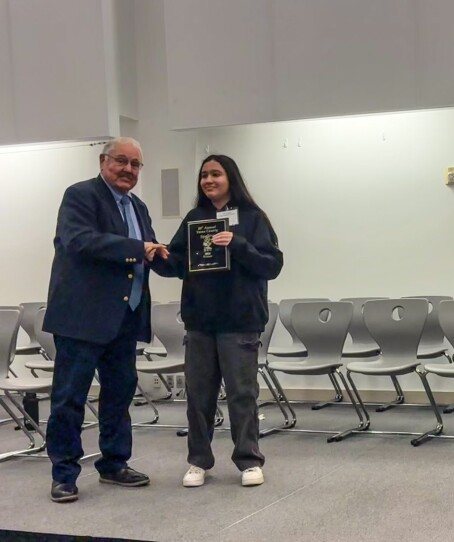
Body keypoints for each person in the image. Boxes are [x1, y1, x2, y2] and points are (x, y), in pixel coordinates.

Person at [43, 137, 168, 503]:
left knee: (119, 395)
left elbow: (149, 251)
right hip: (82, 319)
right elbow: (79, 241)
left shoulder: (138, 207)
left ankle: (114, 464)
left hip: (124, 319)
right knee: (69, 399)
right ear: (103, 161)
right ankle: (64, 473)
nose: (128, 170)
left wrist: (183, 258)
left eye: (135, 165)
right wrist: (138, 249)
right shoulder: (80, 196)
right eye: (121, 161)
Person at [151, 154, 283, 488]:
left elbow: (272, 265)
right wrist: (157, 257)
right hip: (200, 323)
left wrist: (237, 244)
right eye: (204, 175)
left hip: (240, 322)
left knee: (242, 394)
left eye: (216, 174)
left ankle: (249, 460)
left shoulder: (253, 218)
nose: (209, 180)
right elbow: (179, 263)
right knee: (198, 395)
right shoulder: (196, 218)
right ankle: (198, 461)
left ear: (231, 178)